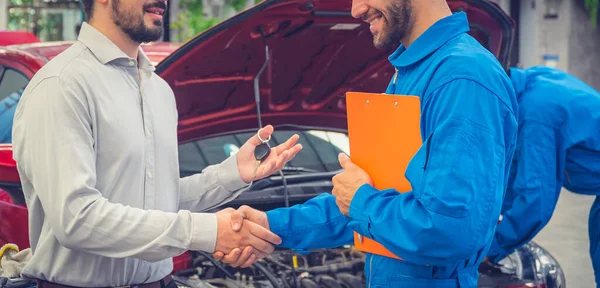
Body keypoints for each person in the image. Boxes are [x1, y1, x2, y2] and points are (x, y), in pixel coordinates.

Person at [214, 0, 519, 286]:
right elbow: (368, 201)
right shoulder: (412, 74)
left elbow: (449, 231)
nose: (356, 9)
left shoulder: (463, 79)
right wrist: (269, 226)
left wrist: (360, 199)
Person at [10, 0, 303, 286]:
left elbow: (156, 203)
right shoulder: (61, 85)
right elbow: (76, 220)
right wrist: (207, 231)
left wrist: (232, 174)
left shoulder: (158, 90)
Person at [483, 66, 600, 285]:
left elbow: (535, 201)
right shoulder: (532, 82)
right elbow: (515, 175)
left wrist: (490, 249)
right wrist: (489, 217)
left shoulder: (536, 116)